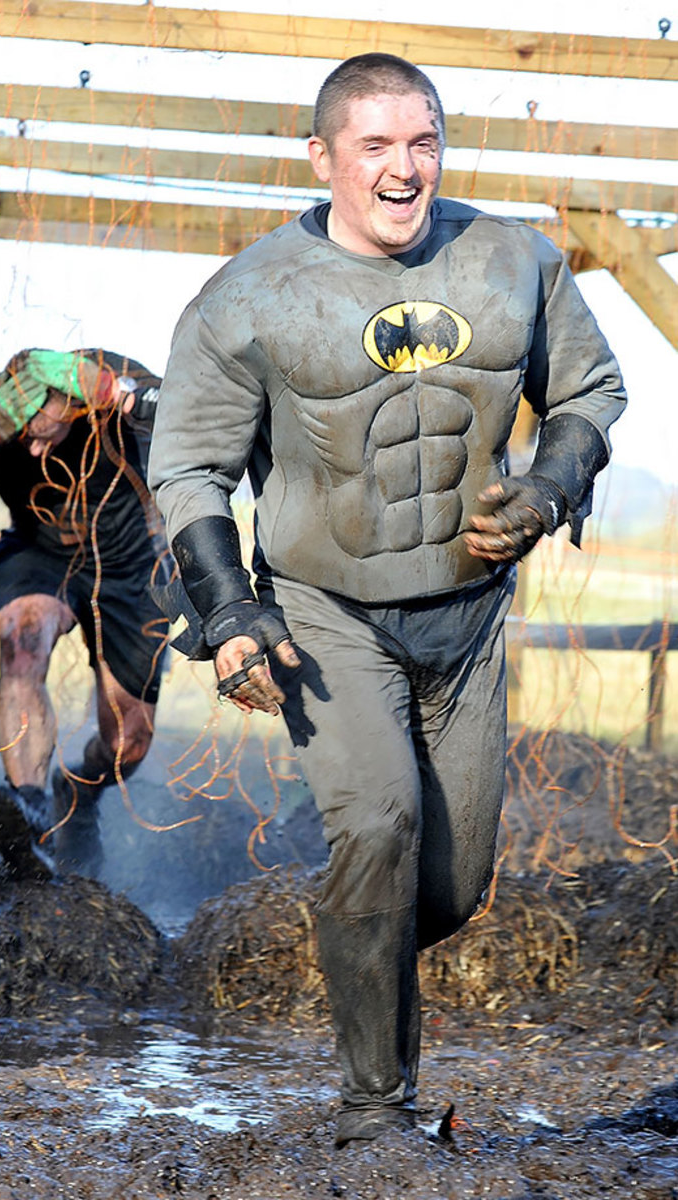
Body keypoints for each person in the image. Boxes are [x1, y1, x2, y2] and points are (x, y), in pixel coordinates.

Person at [147, 54, 626, 1148]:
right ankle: (377, 1115)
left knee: (450, 890)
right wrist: (231, 612)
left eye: (424, 142)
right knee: (379, 825)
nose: (404, 170)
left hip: (468, 620)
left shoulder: (515, 262)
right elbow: (189, 468)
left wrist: (551, 487)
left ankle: (353, 938)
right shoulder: (250, 296)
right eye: (375, 146)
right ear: (322, 158)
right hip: (328, 616)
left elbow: (592, 390)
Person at [0, 348, 169, 881]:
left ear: (72, 403)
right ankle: (27, 809)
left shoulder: (114, 384)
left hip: (130, 562)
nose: (33, 443)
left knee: (127, 744)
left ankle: (79, 791)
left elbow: (200, 419)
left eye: (43, 428)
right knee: (22, 642)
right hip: (39, 551)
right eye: (20, 433)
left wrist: (119, 396)